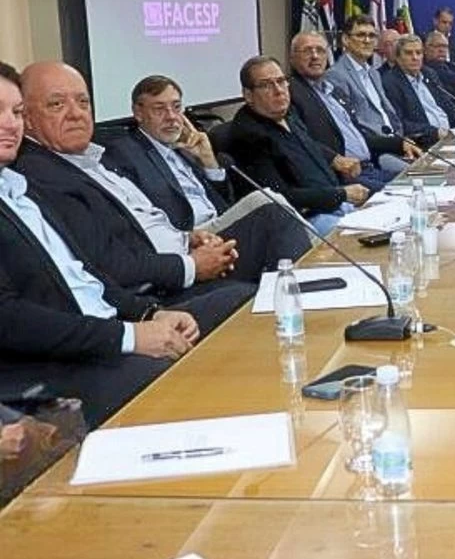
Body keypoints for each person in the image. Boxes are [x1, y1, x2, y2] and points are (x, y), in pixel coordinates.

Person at [0, 62, 242, 427]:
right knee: (174, 377)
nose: (10, 123)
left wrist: (150, 314)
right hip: (47, 363)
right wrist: (128, 336)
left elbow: (87, 274)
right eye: (0, 111)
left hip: (107, 327)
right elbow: (10, 319)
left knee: (239, 303)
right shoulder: (40, 175)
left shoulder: (20, 190)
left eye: (16, 112)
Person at [14, 62, 263, 302]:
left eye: (83, 102)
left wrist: (188, 238)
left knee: (270, 250)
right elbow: (107, 262)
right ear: (27, 118)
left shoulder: (97, 159)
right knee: (259, 279)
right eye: (57, 104)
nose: (76, 114)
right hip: (158, 289)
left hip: (185, 251)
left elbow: (205, 206)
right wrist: (191, 265)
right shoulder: (46, 174)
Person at [102, 77, 317, 271]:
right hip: (191, 238)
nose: (171, 117)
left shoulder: (183, 149)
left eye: (176, 107)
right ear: (138, 113)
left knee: (274, 216)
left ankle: (312, 263)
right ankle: (316, 258)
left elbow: (224, 203)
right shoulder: (126, 152)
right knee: (266, 200)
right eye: (159, 109)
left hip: (218, 225)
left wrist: (209, 162)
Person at [227, 56, 371, 236]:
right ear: (248, 95)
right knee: (365, 238)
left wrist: (334, 159)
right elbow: (279, 197)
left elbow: (307, 144)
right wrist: (341, 194)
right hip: (305, 220)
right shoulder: (249, 136)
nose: (279, 90)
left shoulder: (288, 113)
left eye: (281, 81)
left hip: (335, 202)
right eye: (266, 85)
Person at [285, 31, 417, 191]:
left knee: (419, 181)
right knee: (407, 193)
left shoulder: (333, 91)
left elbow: (359, 137)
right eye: (307, 51)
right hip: (342, 177)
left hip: (368, 168)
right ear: (292, 57)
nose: (315, 56)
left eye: (320, 50)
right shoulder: (291, 92)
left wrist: (398, 143)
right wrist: (333, 158)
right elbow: (298, 139)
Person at [326, 14, 406, 139]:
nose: (367, 40)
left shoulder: (374, 73)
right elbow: (350, 126)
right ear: (346, 39)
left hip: (396, 139)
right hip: (373, 145)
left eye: (372, 36)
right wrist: (394, 144)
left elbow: (387, 114)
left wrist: (401, 139)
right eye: (361, 35)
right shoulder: (336, 75)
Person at [379, 34, 455, 148]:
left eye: (418, 53)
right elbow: (399, 122)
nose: (415, 57)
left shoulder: (429, 74)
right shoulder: (390, 82)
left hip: (451, 137)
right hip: (425, 143)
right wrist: (434, 133)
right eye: (409, 53)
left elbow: (449, 105)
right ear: (398, 58)